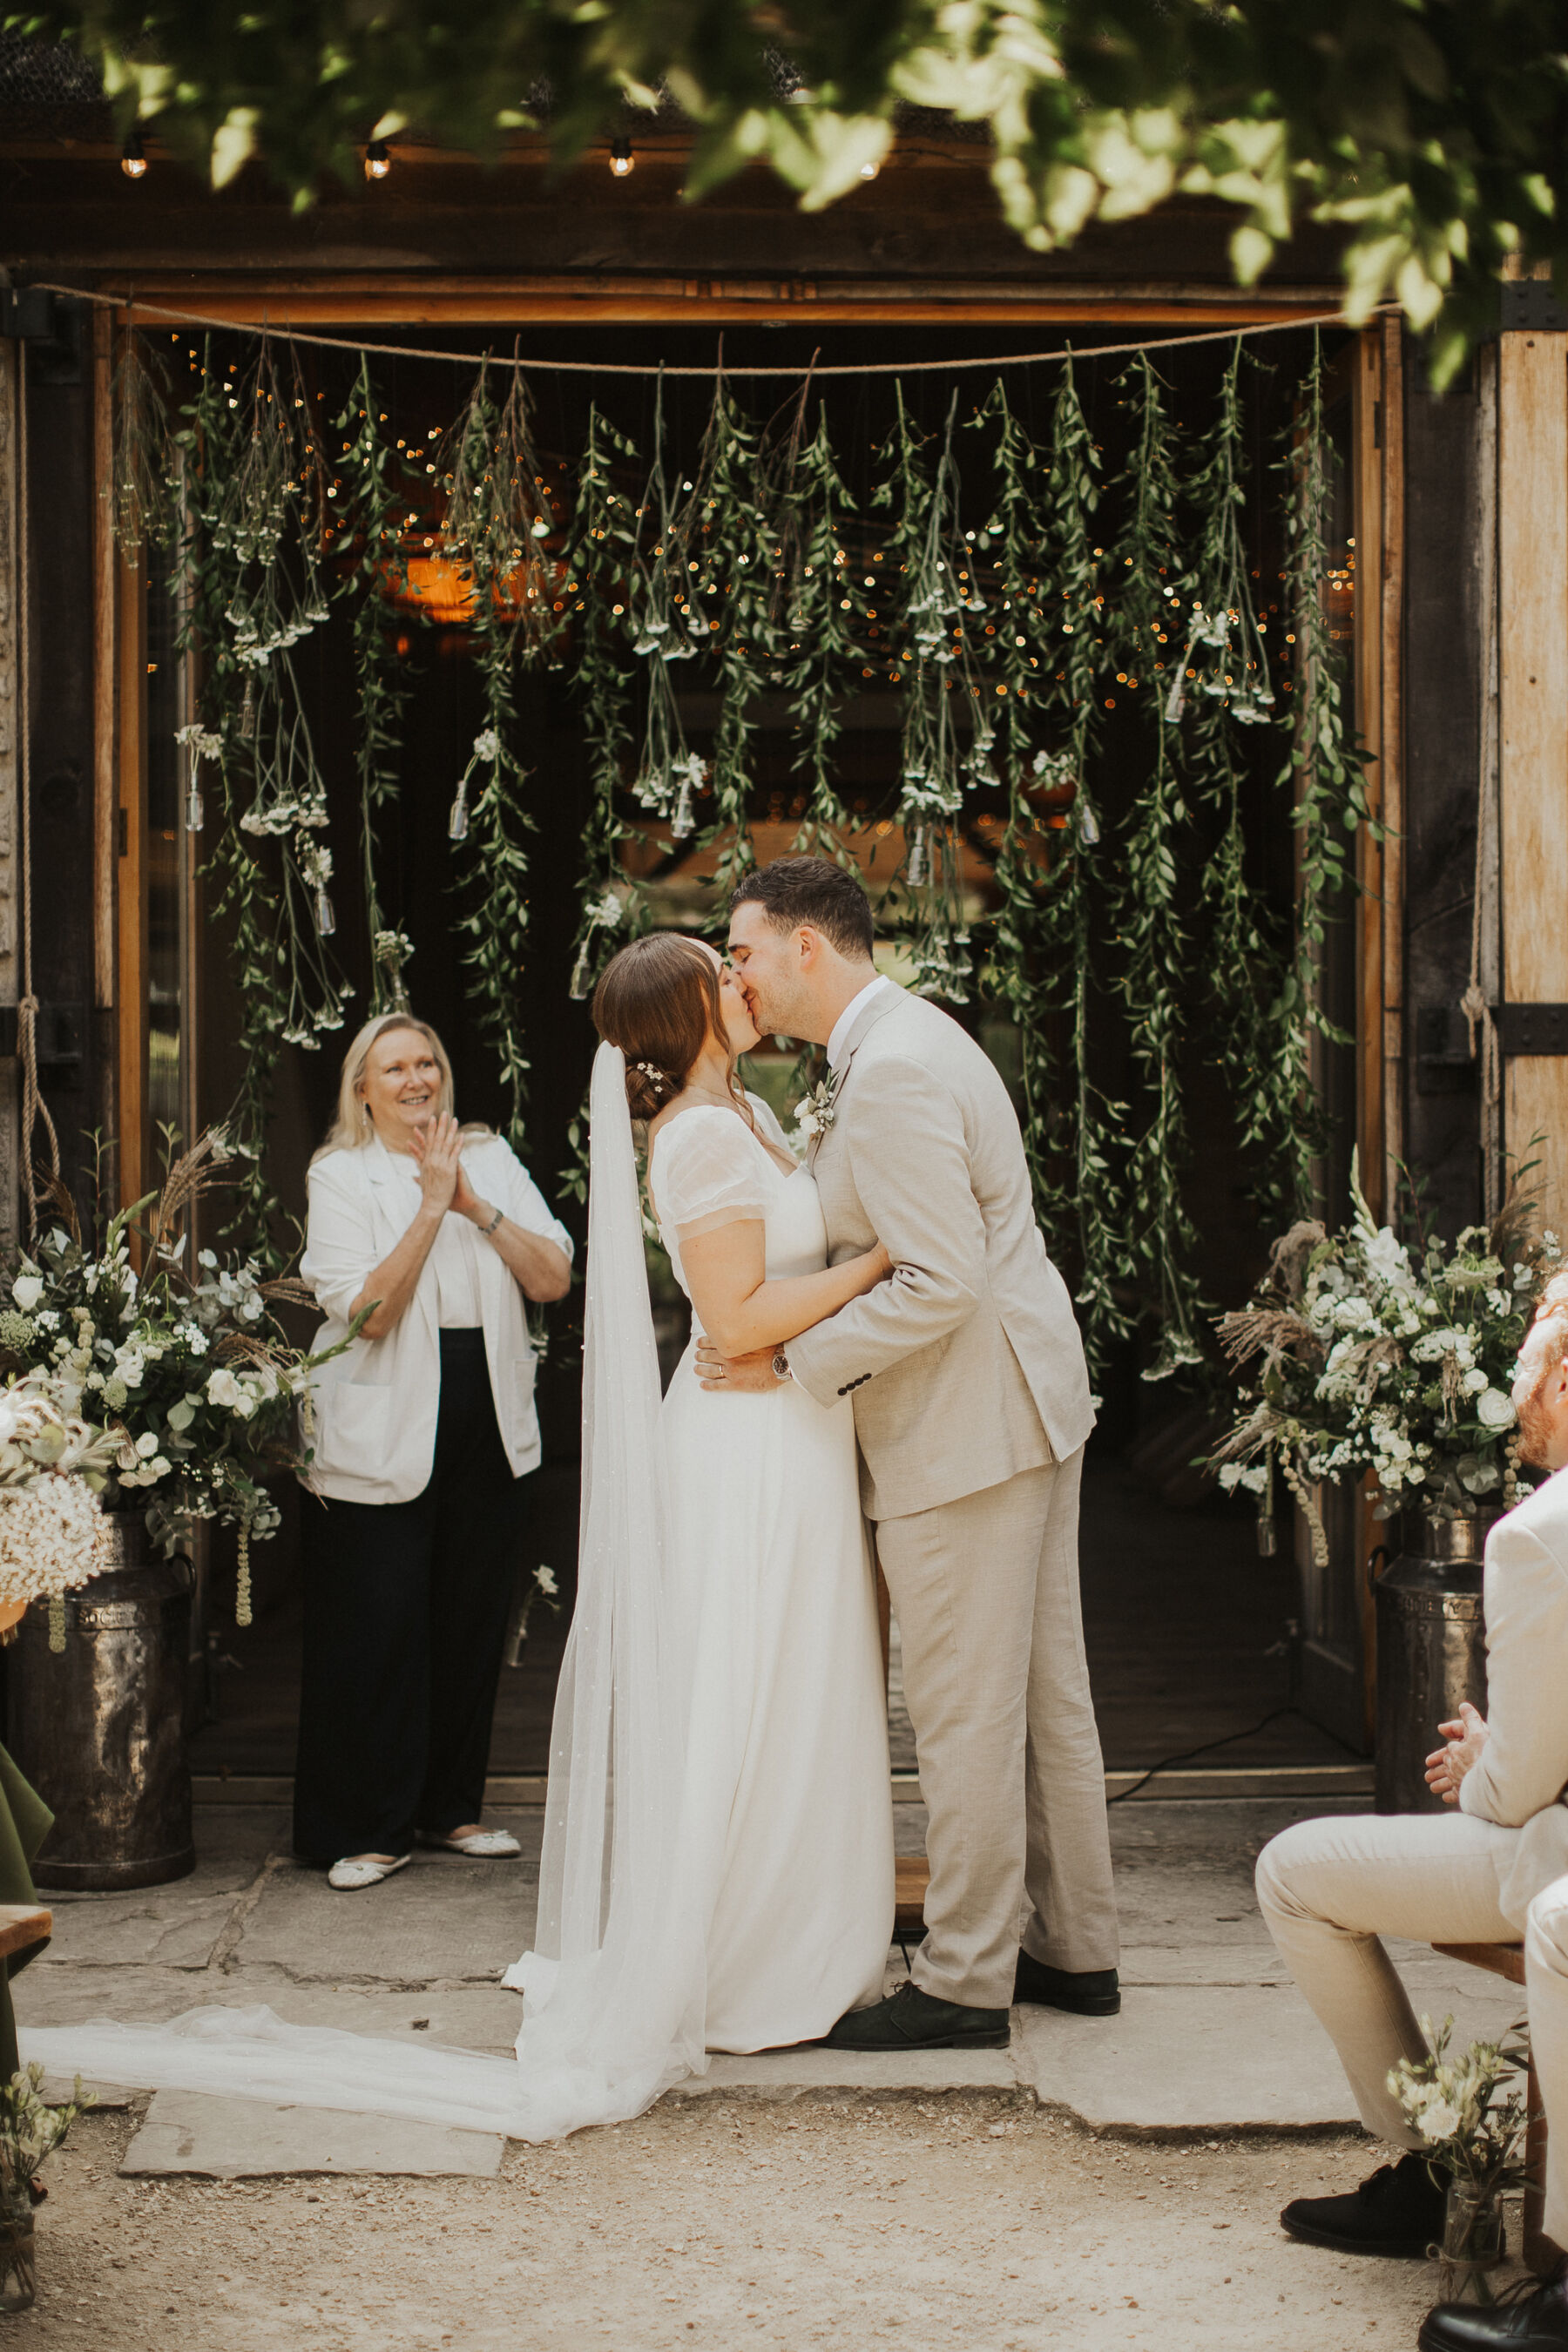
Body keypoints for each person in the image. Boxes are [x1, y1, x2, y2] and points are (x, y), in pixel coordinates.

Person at [705, 854, 1119, 2051]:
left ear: (807, 949)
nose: (740, 976)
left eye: (745, 951)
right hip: (1025, 1400)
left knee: (964, 1708)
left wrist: (794, 1363)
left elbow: (939, 1281)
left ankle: (965, 1977)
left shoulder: (887, 1073)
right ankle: (1072, 1947)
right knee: (1045, 1696)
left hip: (966, 1424)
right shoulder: (915, 1041)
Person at [1255, 1273, 1568, 2351]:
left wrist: (1481, 1758)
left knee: (1296, 1871)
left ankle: (1436, 2168)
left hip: (1553, 1847)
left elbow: (1519, 1790)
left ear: (1567, 1378)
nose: (1512, 1391)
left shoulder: (1539, 1535)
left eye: (1529, 1361)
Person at [294, 1012, 573, 1892]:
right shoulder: (339, 1174)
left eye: (427, 1062)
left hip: (484, 1416)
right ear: (364, 1089)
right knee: (378, 1626)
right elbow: (367, 1312)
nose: (416, 1079)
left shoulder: (488, 1161)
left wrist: (473, 1202)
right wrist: (427, 1205)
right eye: (395, 1067)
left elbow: (551, 1278)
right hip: (381, 1421)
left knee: (466, 1619)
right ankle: (367, 1827)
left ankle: (451, 1808)